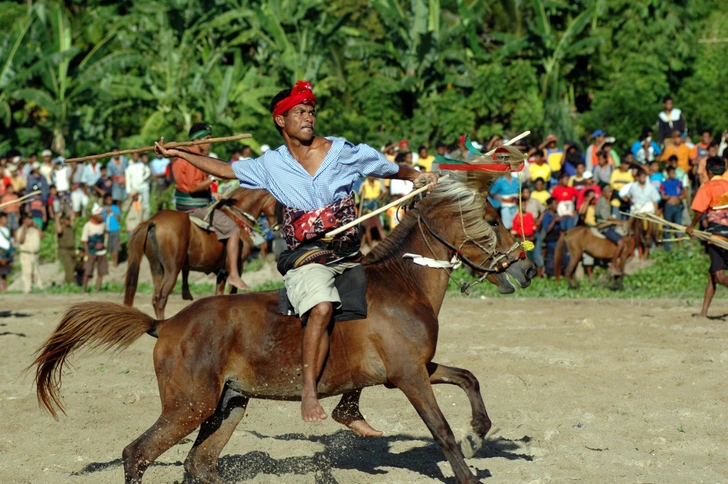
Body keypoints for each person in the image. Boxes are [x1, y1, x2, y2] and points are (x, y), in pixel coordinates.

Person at [154, 80, 435, 428]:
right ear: (280, 121)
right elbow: (226, 170)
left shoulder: (340, 150)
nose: (308, 118)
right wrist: (180, 154)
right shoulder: (270, 165)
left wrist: (415, 176)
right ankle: (309, 392)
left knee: (371, 319)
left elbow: (383, 166)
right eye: (299, 112)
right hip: (307, 255)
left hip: (347, 253)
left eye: (311, 112)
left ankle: (349, 406)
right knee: (321, 307)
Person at [171, 123, 251, 290]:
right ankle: (234, 276)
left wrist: (212, 194)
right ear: (196, 139)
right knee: (234, 231)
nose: (210, 142)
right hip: (195, 206)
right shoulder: (192, 158)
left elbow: (189, 186)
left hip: (185, 203)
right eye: (207, 139)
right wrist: (214, 178)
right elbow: (194, 188)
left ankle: (187, 283)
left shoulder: (183, 155)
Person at [686, 157, 728, 317]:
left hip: (717, 233)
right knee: (712, 275)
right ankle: (703, 312)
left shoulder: (707, 186)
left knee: (719, 276)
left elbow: (700, 209)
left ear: (709, 171)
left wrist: (692, 226)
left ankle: (703, 312)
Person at [595, 185, 626, 275]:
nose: (610, 194)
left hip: (608, 225)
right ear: (604, 193)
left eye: (611, 192)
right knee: (621, 243)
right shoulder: (603, 202)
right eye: (609, 192)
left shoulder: (605, 201)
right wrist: (621, 221)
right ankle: (613, 263)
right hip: (605, 227)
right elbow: (607, 217)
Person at [81, 204, 109, 292]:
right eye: (99, 214)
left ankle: (97, 290)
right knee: (87, 272)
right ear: (94, 215)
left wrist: (105, 244)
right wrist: (88, 253)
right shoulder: (87, 225)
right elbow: (84, 240)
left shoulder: (103, 225)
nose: (101, 216)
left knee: (101, 272)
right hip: (91, 251)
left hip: (101, 251)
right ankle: (83, 290)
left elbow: (105, 233)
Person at [660, 166, 686, 251]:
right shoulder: (664, 183)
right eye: (671, 173)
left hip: (677, 206)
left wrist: (679, 198)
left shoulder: (678, 182)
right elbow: (662, 195)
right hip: (669, 206)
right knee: (667, 225)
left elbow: (683, 193)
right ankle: (667, 247)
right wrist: (668, 198)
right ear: (667, 174)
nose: (673, 175)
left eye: (674, 173)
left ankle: (680, 245)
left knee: (678, 225)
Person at [16, 216, 44, 293]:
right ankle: (27, 289)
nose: (30, 220)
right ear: (24, 220)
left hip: (35, 254)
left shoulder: (35, 229)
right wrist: (25, 229)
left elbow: (42, 236)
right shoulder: (20, 230)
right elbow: (20, 241)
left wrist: (37, 227)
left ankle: (39, 288)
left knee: (36, 272)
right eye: (28, 219)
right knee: (27, 272)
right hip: (26, 254)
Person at [55, 212, 77, 285]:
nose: (68, 221)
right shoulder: (62, 227)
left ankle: (67, 283)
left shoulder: (70, 227)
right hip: (65, 251)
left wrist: (71, 215)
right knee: (69, 268)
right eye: (66, 219)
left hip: (72, 250)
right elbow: (59, 230)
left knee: (72, 267)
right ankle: (72, 284)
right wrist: (57, 219)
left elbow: (73, 221)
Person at [101, 193, 122, 267]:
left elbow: (119, 218)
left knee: (116, 248)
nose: (110, 201)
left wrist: (112, 212)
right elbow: (101, 220)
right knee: (109, 247)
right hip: (107, 230)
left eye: (111, 199)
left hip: (115, 229)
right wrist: (106, 213)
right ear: (105, 200)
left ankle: (115, 264)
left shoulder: (115, 207)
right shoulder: (103, 209)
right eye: (108, 199)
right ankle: (110, 262)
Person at [0, 212, 14, 293]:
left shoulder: (7, 230)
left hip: (6, 253)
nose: (6, 220)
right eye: (4, 218)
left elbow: (10, 241)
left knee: (4, 272)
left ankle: (5, 289)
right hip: (0, 252)